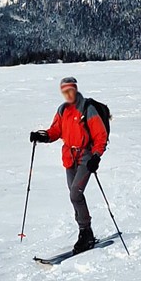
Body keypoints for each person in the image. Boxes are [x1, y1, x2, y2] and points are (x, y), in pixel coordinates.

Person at [30, 77, 109, 256]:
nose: (68, 94)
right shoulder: (62, 110)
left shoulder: (87, 109)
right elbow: (56, 130)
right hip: (69, 158)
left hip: (86, 156)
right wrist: (43, 136)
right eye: (65, 91)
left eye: (71, 90)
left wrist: (96, 156)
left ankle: (85, 233)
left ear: (75, 89)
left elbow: (100, 135)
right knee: (74, 196)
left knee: (75, 193)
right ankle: (85, 232)